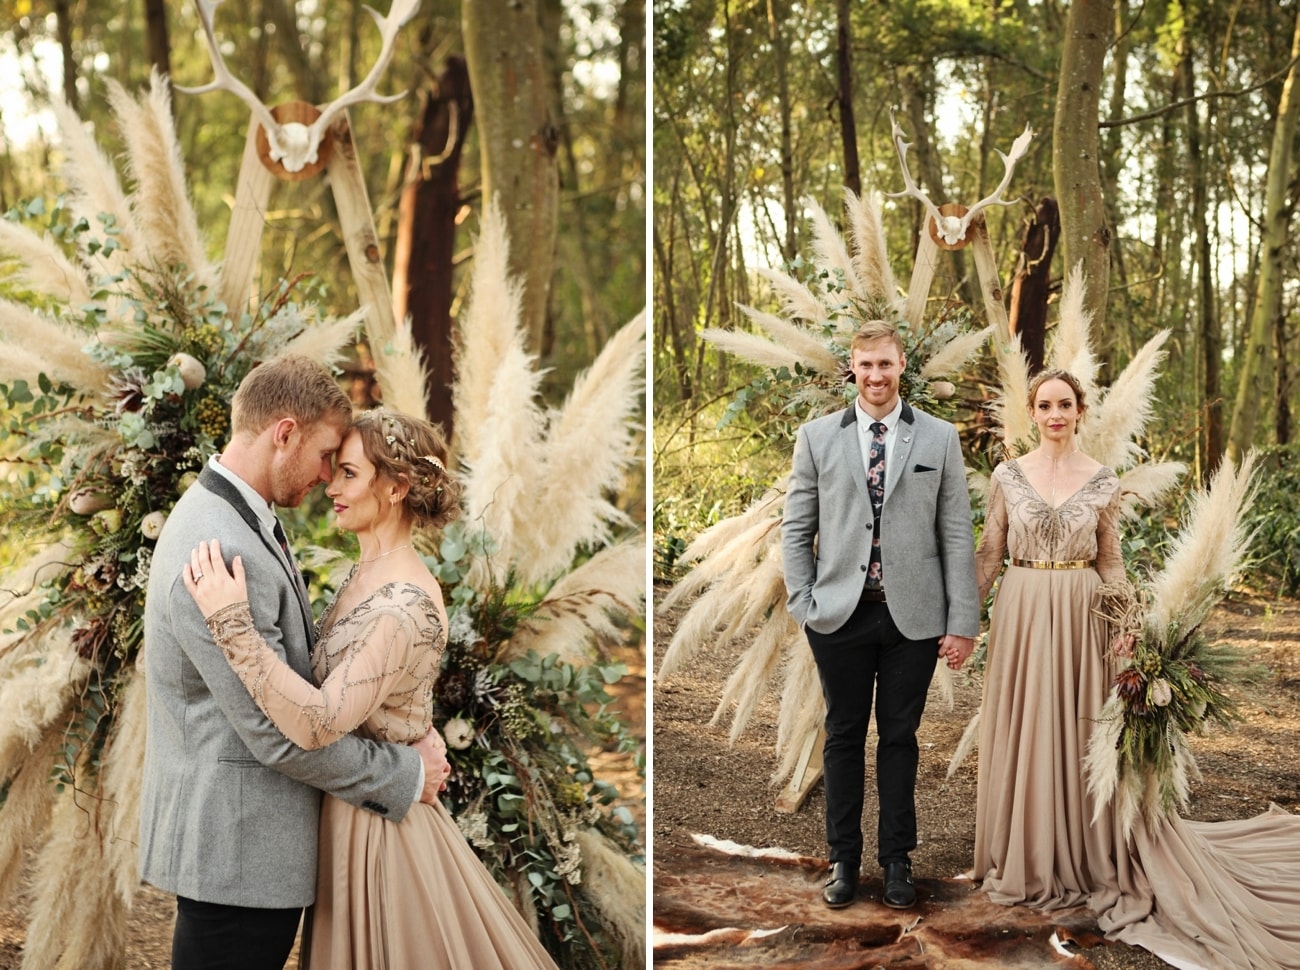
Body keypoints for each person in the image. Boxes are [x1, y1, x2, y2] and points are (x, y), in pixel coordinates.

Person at [184, 407, 560, 970]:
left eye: (350, 474)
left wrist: (234, 627)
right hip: (353, 808)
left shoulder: (403, 605)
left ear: (397, 487)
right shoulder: (366, 575)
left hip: (381, 836)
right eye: (333, 470)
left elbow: (317, 721)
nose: (331, 486)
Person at [973, 368, 1300, 969]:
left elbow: (1113, 562)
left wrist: (1130, 628)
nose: (1054, 414)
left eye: (1064, 404)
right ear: (1031, 411)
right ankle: (1028, 853)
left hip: (1082, 617)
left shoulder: (1100, 479)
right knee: (1027, 729)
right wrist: (963, 621)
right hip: (1020, 612)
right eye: (1044, 404)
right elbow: (991, 549)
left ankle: (1083, 854)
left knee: (1075, 735)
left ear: (1080, 411)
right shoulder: (1007, 476)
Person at [140, 356, 451, 970]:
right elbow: (276, 736)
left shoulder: (236, 519)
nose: (327, 478)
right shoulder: (223, 545)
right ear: (285, 433)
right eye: (326, 455)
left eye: (345, 467)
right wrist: (405, 773)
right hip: (239, 852)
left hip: (247, 847)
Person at [781, 320, 980, 910]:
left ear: (901, 367)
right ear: (852, 367)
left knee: (900, 738)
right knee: (843, 735)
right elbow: (796, 530)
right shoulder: (817, 438)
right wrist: (804, 604)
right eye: (866, 365)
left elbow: (956, 534)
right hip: (839, 616)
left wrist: (962, 620)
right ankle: (843, 860)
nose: (875, 376)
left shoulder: (939, 438)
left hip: (912, 619)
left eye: (885, 365)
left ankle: (897, 861)